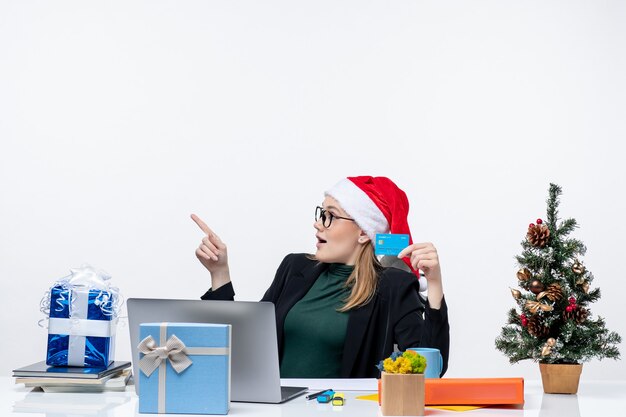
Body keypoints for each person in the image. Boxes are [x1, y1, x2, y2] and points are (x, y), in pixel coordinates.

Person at [193, 176, 449, 378]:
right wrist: (220, 274)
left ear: (363, 233)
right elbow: (247, 342)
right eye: (321, 213)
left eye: (331, 216)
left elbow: (427, 371)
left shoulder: (393, 286)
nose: (318, 223)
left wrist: (434, 284)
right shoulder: (294, 268)